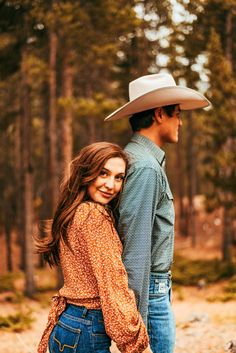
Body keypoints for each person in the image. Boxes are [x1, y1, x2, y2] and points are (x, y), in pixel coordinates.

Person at [105, 73, 211, 353]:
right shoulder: (146, 167)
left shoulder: (143, 161)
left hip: (152, 290)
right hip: (149, 294)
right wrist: (134, 323)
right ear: (158, 114)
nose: (181, 122)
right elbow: (136, 247)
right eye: (176, 114)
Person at [36, 142, 153, 353]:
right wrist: (136, 345)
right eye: (103, 173)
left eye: (119, 177)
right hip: (85, 328)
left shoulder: (75, 210)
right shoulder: (93, 215)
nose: (111, 185)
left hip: (66, 324)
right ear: (86, 173)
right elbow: (112, 282)